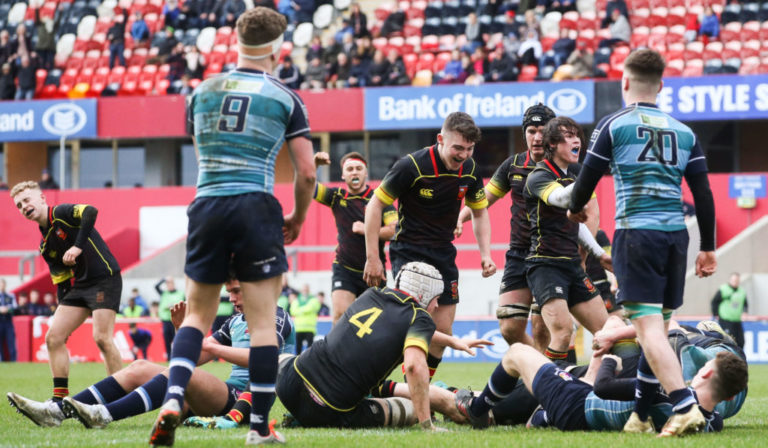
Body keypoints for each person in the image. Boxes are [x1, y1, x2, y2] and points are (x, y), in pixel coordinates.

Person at [151, 7, 315, 446]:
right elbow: (307, 172)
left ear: (237, 42)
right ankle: (260, 429)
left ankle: (171, 398)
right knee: (263, 325)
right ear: (277, 49)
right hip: (255, 205)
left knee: (197, 317)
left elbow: (204, 150)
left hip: (206, 204)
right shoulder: (285, 96)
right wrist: (297, 218)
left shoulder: (200, 92)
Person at [569, 48, 718, 436]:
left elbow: (584, 184)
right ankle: (640, 414)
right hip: (676, 239)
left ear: (624, 82)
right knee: (661, 324)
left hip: (637, 234)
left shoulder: (613, 124)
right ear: (661, 86)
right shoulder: (684, 132)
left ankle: (684, 406)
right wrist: (709, 247)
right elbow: (703, 194)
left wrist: (573, 211)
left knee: (647, 326)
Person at [7, 277, 294, 431]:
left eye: (236, 292)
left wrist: (211, 346)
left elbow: (267, 361)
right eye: (229, 292)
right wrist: (186, 336)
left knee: (183, 376)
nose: (231, 299)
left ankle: (104, 414)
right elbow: (193, 359)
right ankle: (56, 411)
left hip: (246, 400)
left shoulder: (276, 317)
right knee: (140, 365)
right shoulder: (233, 322)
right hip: (219, 394)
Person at [364, 112, 496, 381]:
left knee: (443, 332)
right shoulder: (410, 166)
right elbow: (374, 205)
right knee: (410, 324)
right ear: (440, 139)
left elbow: (480, 212)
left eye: (469, 149)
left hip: (444, 253)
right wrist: (373, 258)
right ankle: (376, 382)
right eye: (457, 148)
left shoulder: (470, 169)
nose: (463, 155)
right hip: (408, 251)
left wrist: (485, 255)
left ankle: (418, 389)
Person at [277, 262, 487, 430]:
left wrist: (452, 341)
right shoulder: (419, 316)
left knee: (281, 359)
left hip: (290, 384)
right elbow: (414, 367)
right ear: (423, 296)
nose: (437, 306)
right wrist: (426, 424)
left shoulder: (373, 294)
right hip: (328, 409)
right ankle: (437, 404)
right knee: (410, 409)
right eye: (436, 299)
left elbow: (402, 326)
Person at [454, 341, 745, 434]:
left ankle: (477, 410)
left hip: (577, 404)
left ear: (705, 372)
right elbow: (716, 417)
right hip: (583, 410)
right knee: (559, 381)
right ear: (729, 396)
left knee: (517, 352)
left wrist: (610, 361)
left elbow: (604, 387)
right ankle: (544, 416)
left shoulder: (670, 394)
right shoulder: (712, 422)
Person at [8, 181, 123, 414]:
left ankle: (119, 396)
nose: (25, 206)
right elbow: (61, 281)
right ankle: (59, 399)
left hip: (104, 277)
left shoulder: (60, 213)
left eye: (28, 200)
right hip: (79, 286)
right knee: (53, 337)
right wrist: (62, 313)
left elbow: (90, 211)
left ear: (41, 198)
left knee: (102, 338)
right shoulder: (44, 245)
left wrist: (78, 247)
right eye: (20, 205)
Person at [456, 104, 555, 352]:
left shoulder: (565, 166)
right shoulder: (513, 165)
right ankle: (542, 369)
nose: (538, 137)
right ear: (524, 134)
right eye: (532, 130)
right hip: (519, 253)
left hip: (552, 254)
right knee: (510, 329)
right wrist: (460, 217)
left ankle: (546, 383)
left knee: (543, 326)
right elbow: (484, 200)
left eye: (543, 130)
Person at [523, 117, 611, 363]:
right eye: (569, 136)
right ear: (552, 143)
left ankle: (599, 388)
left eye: (578, 136)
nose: (577, 141)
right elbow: (561, 199)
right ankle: (549, 394)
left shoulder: (570, 177)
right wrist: (592, 172)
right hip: (545, 265)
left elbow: (575, 224)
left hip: (572, 266)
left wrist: (599, 255)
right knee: (562, 334)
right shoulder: (538, 177)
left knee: (608, 334)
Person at [313, 151, 397, 323]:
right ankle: (337, 351)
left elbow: (394, 230)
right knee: (340, 315)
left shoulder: (380, 200)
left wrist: (367, 229)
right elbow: (307, 186)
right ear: (343, 175)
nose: (354, 172)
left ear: (365, 173)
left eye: (359, 168)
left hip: (374, 270)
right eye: (350, 169)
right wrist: (314, 166)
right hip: (344, 268)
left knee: (376, 323)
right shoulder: (337, 197)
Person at [711, 273, 748, 349]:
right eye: (733, 280)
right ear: (730, 280)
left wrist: (745, 312)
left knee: (741, 341)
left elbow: (745, 304)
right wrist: (716, 314)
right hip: (725, 320)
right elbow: (714, 301)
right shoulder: (724, 289)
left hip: (737, 320)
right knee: (728, 341)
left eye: (737, 280)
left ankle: (738, 358)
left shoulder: (741, 291)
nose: (735, 282)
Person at [155, 276, 185, 359]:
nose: (169, 285)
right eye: (167, 283)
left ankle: (177, 355)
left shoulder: (181, 293)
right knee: (167, 339)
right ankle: (168, 356)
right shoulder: (164, 293)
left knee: (177, 339)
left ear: (174, 284)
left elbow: (185, 304)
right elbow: (156, 286)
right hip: (166, 320)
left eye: (171, 283)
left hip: (177, 320)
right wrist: (164, 279)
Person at [290, 284, 321, 354]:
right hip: (299, 328)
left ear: (309, 290)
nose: (305, 291)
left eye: (306, 289)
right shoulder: (297, 300)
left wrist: (300, 310)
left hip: (310, 328)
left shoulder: (313, 299)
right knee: (298, 349)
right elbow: (292, 311)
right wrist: (306, 310)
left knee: (310, 350)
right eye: (304, 289)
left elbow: (313, 307)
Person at [0, 278, 17, 362]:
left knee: (11, 341)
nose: (2, 286)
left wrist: (7, 309)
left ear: (5, 285)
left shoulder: (10, 296)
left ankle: (13, 360)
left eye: (3, 284)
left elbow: (15, 307)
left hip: (8, 322)